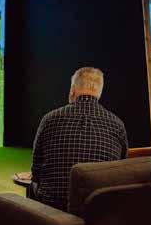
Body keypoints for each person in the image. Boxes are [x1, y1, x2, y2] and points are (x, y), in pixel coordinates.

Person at [30, 67, 128, 210]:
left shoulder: (50, 119)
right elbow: (121, 168)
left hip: (53, 209)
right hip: (99, 210)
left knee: (32, 187)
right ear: (99, 92)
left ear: (72, 90)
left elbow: (36, 168)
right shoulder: (117, 124)